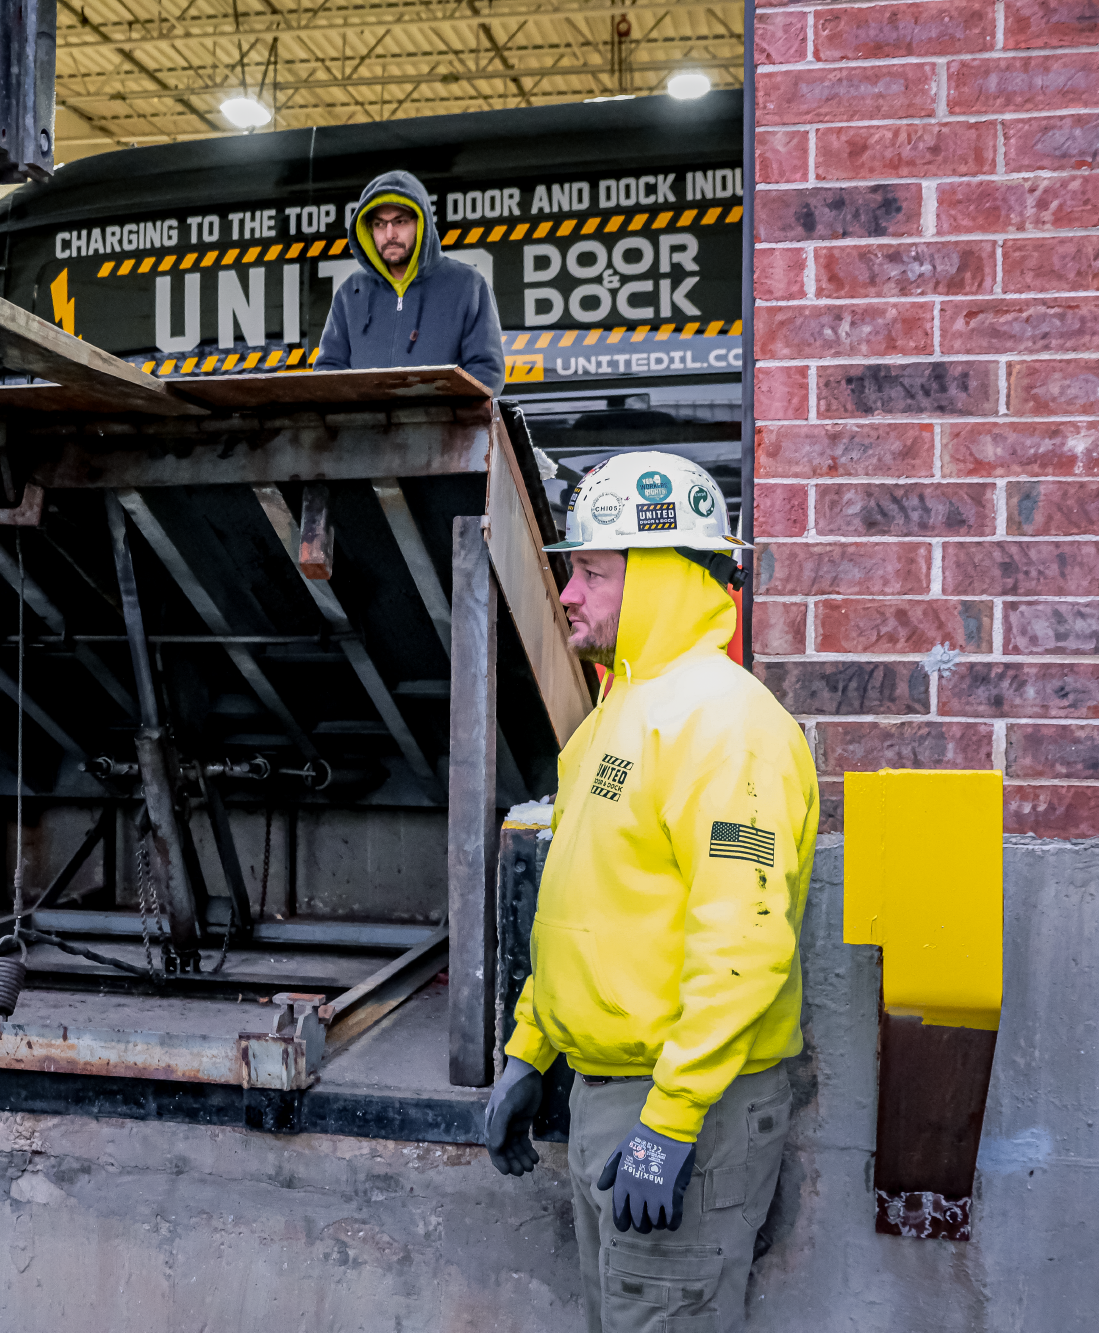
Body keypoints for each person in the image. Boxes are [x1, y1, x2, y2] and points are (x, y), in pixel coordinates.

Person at [482, 450, 817, 1333]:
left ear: (664, 580)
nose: (568, 594)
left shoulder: (729, 727)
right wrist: (530, 1050)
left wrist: (669, 1123)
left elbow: (743, 941)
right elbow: (583, 911)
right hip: (615, 1095)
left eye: (593, 572)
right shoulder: (615, 719)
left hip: (688, 1107)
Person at [313, 170, 504, 393]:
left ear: (421, 223)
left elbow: (486, 372)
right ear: (368, 230)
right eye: (379, 224)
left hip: (443, 428)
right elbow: (329, 371)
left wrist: (437, 418)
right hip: (368, 429)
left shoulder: (467, 285)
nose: (389, 234)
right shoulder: (350, 292)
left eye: (400, 221)